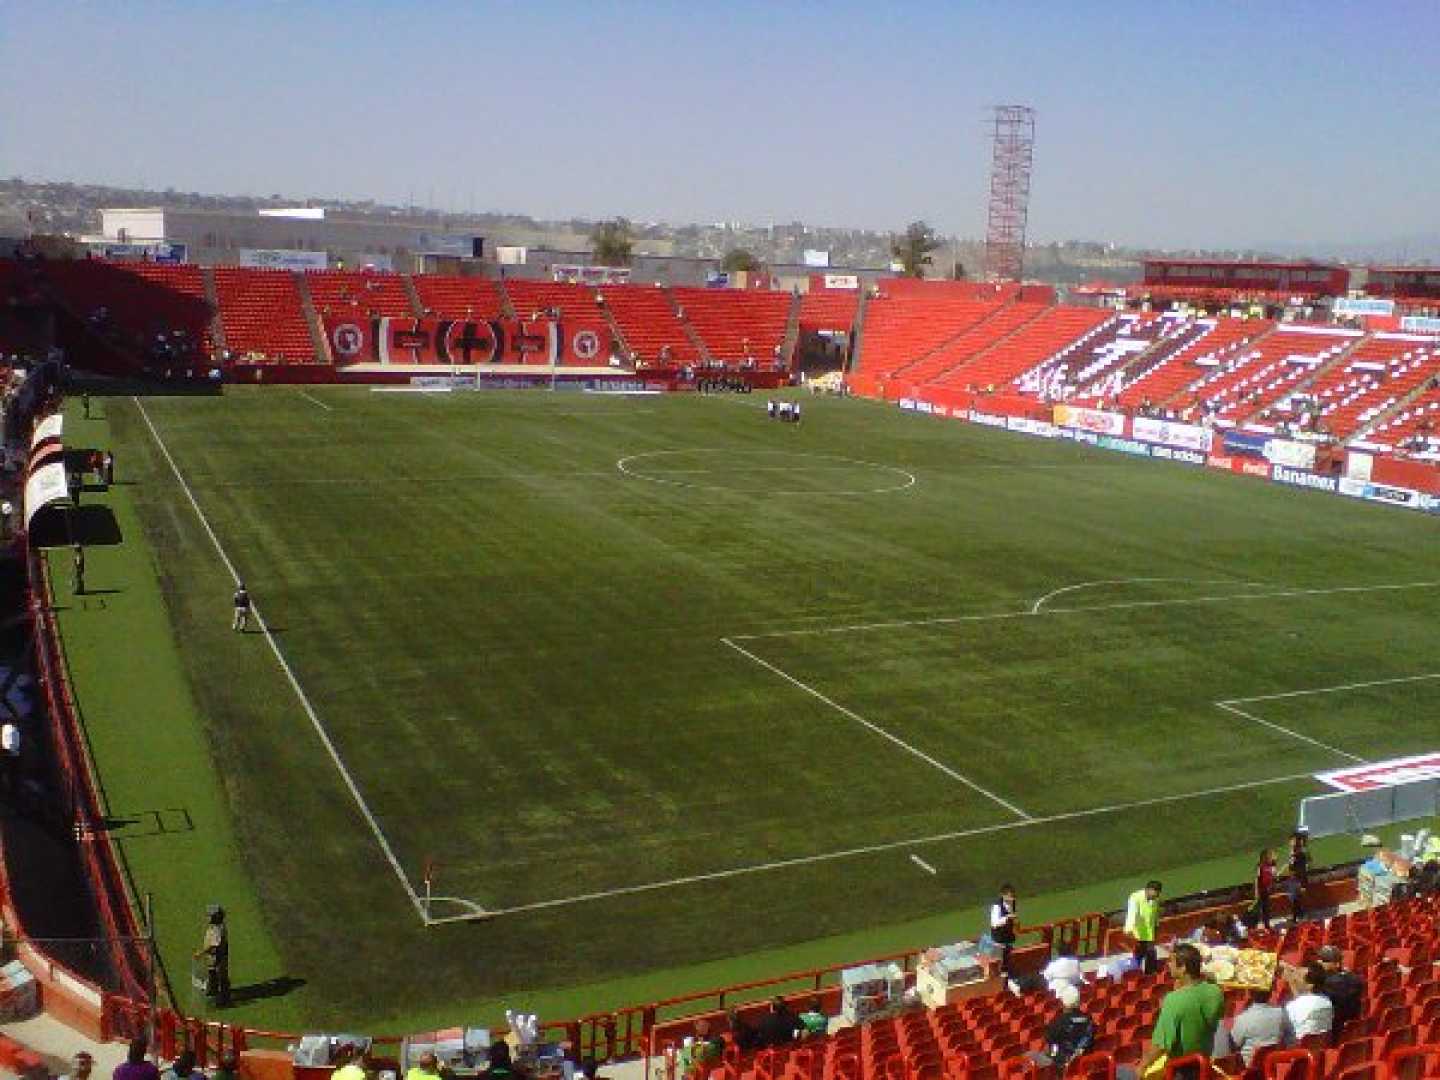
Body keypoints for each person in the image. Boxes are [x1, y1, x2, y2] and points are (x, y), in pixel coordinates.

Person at [1122, 944, 1224, 1080]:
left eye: (1171, 961)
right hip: (1202, 1064)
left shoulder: (1173, 1000)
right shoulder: (1215, 992)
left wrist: (1142, 1066)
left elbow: (1160, 1045)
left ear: (1183, 968)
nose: (1168, 964)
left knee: (1121, 1073)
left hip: (1179, 1070)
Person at [1025, 984, 1095, 1072]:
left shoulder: (1059, 1021)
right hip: (1082, 1062)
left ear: (1063, 1002)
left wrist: (1053, 1056)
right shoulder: (1088, 1019)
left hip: (1062, 1062)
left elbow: (1050, 1042)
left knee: (1028, 1055)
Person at [1214, 988, 1291, 1066]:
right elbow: (1289, 1039)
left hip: (1247, 1070)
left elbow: (1232, 1046)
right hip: (1272, 1065)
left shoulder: (1243, 1019)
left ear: (1250, 994)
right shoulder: (1281, 1013)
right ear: (1270, 994)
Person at [1316, 945, 1365, 1040]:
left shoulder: (1329, 984)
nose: (1320, 962)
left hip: (1334, 1033)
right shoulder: (1354, 978)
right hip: (1351, 1030)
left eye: (1324, 960)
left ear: (1337, 964)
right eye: (1320, 959)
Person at [1282, 962, 1334, 1040]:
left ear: (1310, 985)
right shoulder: (1327, 1002)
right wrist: (1292, 983)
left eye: (1299, 976)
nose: (1295, 978)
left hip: (1297, 1048)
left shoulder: (1291, 1007)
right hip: (1320, 1046)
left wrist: (1291, 982)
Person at [194, 904, 231, 1006]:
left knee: (220, 977)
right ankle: (213, 992)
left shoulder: (217, 930)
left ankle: (223, 998)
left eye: (209, 915)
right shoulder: (215, 927)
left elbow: (213, 946)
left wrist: (200, 953)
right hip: (214, 959)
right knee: (213, 975)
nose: (207, 917)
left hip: (218, 958)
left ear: (215, 917)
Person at [1124, 880, 1163, 974]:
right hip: (1136, 935)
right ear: (1148, 890)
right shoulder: (1135, 898)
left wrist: (1157, 926)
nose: (1155, 898)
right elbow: (1132, 915)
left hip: (1149, 934)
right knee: (1144, 955)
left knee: (1149, 954)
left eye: (1157, 895)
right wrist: (1129, 931)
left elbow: (1155, 913)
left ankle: (1148, 975)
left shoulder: (1155, 899)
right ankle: (1140, 975)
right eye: (1153, 895)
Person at [989, 884, 1019, 975]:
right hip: (999, 941)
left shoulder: (1012, 904)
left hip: (1008, 939)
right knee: (999, 967)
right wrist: (1007, 918)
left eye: (1013, 896)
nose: (1013, 899)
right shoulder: (997, 907)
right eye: (1011, 896)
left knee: (1010, 964)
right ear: (1004, 895)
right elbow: (994, 924)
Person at [1254, 849, 1277, 930]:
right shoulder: (1260, 866)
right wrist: (1256, 891)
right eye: (1270, 856)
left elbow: (1274, 876)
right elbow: (1257, 878)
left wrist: (1273, 882)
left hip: (1267, 890)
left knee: (1266, 908)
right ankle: (1254, 925)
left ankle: (1266, 925)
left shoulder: (1272, 865)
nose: (1271, 858)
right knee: (1258, 908)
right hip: (1261, 890)